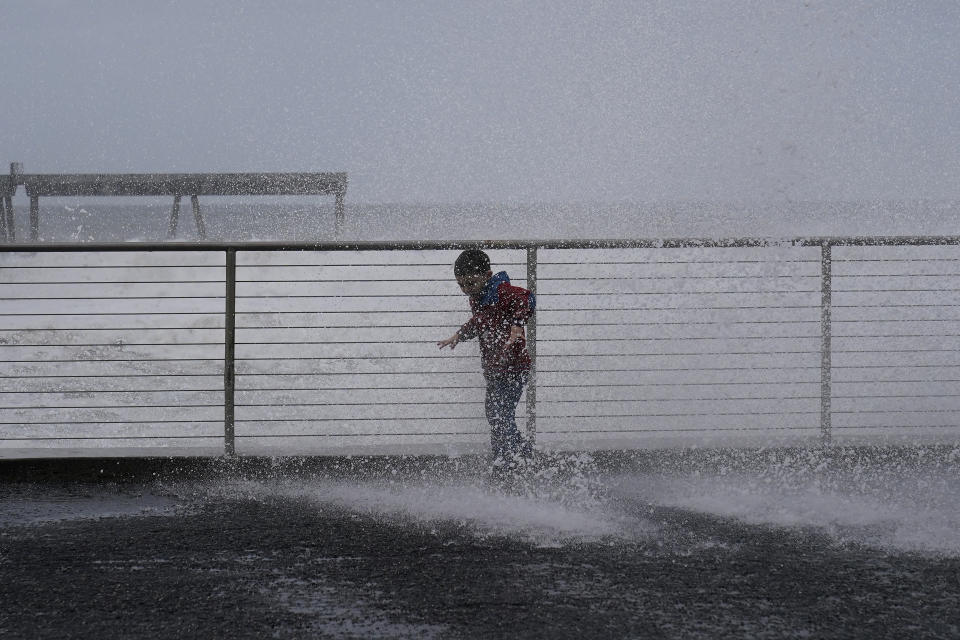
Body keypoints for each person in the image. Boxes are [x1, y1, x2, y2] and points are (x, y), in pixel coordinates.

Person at [437, 249, 536, 470]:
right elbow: (479, 321)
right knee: (495, 417)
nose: (466, 290)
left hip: (514, 368)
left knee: (502, 416)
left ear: (488, 275)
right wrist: (459, 335)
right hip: (494, 370)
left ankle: (515, 461)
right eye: (461, 285)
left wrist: (517, 324)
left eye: (470, 283)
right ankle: (505, 460)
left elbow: (527, 297)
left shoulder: (502, 291)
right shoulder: (478, 295)